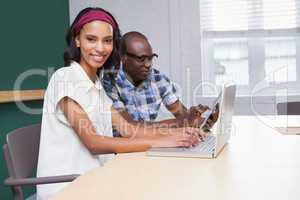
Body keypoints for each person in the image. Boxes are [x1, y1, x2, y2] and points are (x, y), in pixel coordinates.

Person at [37, 7, 206, 199]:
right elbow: (93, 143)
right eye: (91, 39)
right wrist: (166, 140)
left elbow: (127, 129)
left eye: (107, 41)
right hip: (67, 189)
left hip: (96, 180)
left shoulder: (95, 84)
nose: (100, 48)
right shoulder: (65, 78)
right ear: (77, 40)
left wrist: (180, 133)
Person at [103, 31, 217, 129]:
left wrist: (199, 117)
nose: (148, 64)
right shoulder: (110, 82)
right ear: (124, 58)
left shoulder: (158, 79)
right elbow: (129, 127)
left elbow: (182, 116)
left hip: (150, 143)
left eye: (150, 58)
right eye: (141, 59)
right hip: (121, 149)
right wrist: (182, 122)